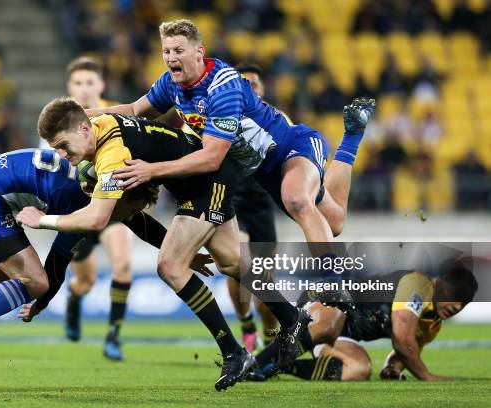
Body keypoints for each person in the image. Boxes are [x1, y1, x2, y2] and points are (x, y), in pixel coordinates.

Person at [82, 19, 375, 371]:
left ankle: (333, 283)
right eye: (166, 52)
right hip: (264, 171)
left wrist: (151, 170)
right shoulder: (171, 85)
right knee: (334, 222)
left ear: (198, 52)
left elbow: (211, 157)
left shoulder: (223, 87)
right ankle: (352, 138)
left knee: (297, 198)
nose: (170, 58)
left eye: (178, 51)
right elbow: (131, 110)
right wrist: (82, 116)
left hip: (292, 146)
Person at [18, 100, 328, 391]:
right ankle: (292, 319)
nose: (61, 154)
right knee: (232, 262)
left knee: (169, 266)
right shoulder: (98, 126)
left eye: (62, 145)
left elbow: (99, 219)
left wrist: (43, 219)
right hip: (205, 179)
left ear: (83, 129)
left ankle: (234, 352)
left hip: (205, 181)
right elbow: (133, 219)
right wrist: (185, 249)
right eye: (55, 148)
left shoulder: (111, 154)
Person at [0, 148, 201, 393]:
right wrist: (41, 300)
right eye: (132, 208)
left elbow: (138, 223)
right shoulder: (78, 202)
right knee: (34, 282)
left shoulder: (95, 184)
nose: (130, 217)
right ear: (121, 195)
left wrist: (180, 251)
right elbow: (57, 262)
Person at [44, 56, 134, 361]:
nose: (84, 89)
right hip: (78, 211)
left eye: (89, 83)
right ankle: (74, 297)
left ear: (101, 85)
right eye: (78, 83)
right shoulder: (56, 124)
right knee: (86, 280)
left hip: (110, 206)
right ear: (70, 86)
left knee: (122, 263)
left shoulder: (115, 116)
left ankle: (114, 336)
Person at [250, 263, 478, 381]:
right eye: (456, 294)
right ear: (441, 284)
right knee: (330, 326)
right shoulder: (419, 284)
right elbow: (402, 339)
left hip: (344, 334)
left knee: (359, 370)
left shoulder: (432, 324)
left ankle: (280, 366)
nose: (457, 306)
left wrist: (392, 368)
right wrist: (426, 376)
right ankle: (254, 364)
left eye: (464, 304)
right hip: (326, 298)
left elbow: (405, 353)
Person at [227, 63, 282, 351]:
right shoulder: (221, 115)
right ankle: (246, 322)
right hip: (232, 201)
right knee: (241, 260)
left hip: (262, 205)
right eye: (243, 84)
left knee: (263, 278)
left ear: (262, 90)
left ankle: (270, 331)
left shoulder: (276, 119)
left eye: (254, 85)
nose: (249, 89)